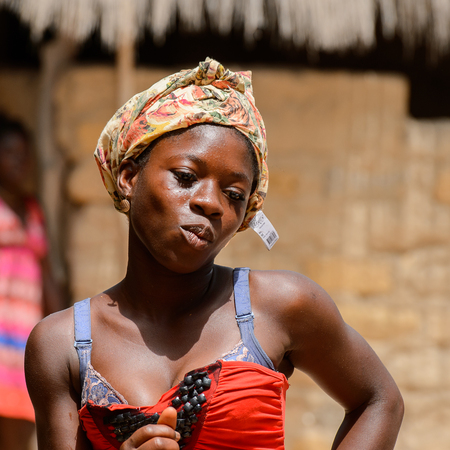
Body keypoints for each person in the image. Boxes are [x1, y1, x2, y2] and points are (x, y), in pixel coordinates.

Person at [25, 58, 403, 450]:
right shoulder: (63, 344)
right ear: (129, 178)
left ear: (244, 217)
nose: (209, 202)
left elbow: (379, 401)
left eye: (234, 195)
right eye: (186, 177)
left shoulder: (278, 306)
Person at [0, 114, 62, 450]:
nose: (19, 162)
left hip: (22, 337)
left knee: (18, 431)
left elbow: (46, 273)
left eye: (24, 154)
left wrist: (62, 325)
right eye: (10, 153)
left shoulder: (32, 208)